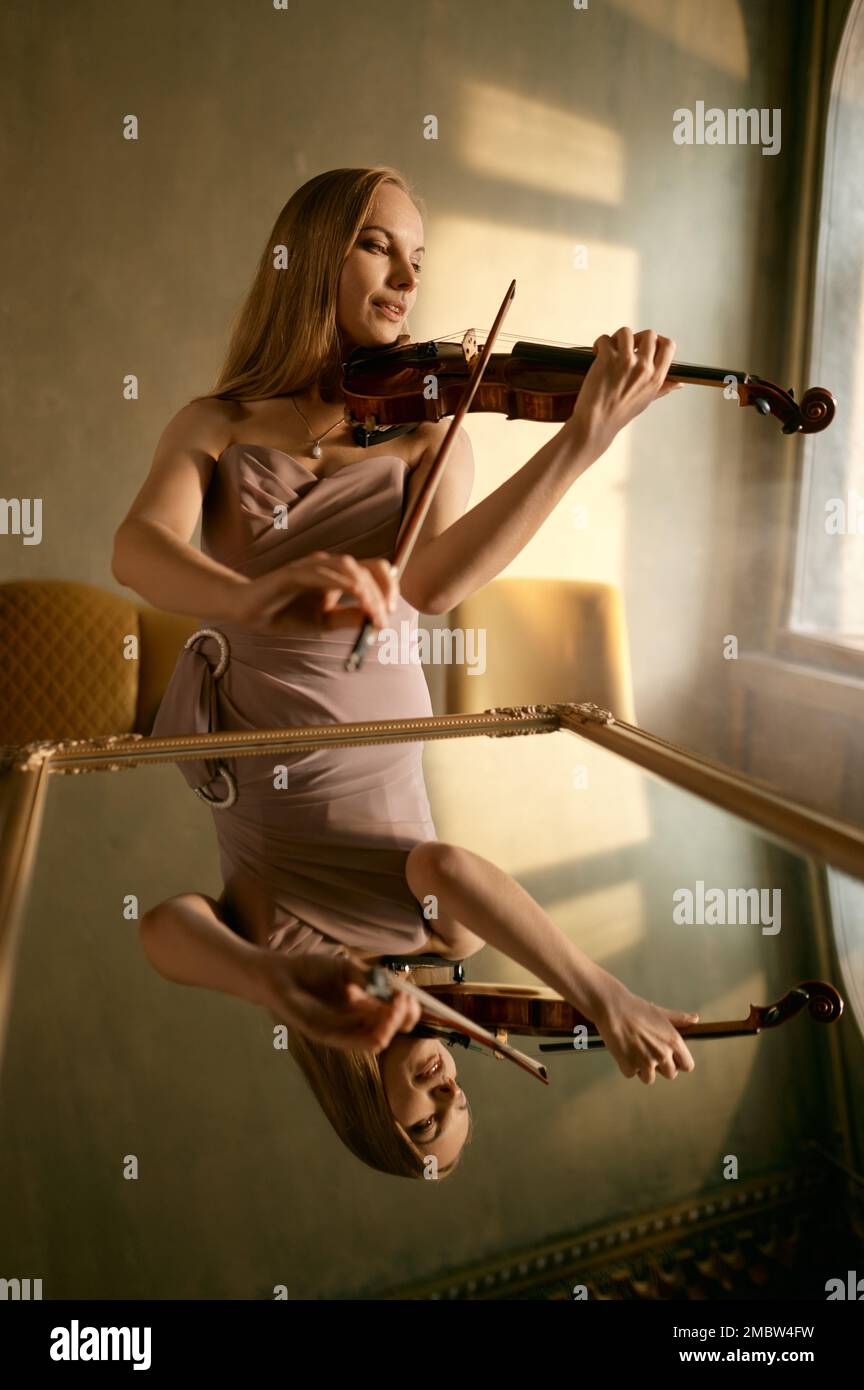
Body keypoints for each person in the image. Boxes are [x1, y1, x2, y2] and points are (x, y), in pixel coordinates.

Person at [112, 165, 694, 1180]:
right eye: (385, 247)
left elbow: (424, 583)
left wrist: (267, 985)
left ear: (371, 1111)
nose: (407, 277)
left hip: (282, 720)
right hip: (357, 706)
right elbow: (137, 548)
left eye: (410, 256)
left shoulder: (431, 421)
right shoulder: (216, 420)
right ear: (312, 256)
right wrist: (597, 991)